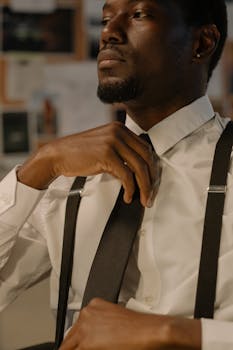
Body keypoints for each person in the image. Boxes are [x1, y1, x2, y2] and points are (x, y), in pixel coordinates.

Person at [0, 0, 230, 349]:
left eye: (138, 15)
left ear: (202, 43)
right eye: (107, 18)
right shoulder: (64, 176)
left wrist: (173, 333)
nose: (109, 32)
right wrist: (38, 167)